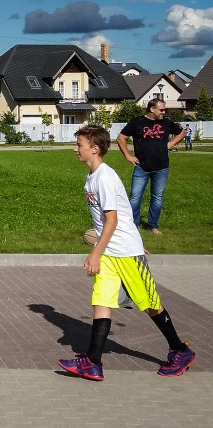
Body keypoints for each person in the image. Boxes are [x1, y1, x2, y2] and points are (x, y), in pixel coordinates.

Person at [58, 125, 196, 381]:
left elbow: (111, 220)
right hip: (111, 252)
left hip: (123, 252)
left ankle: (180, 350)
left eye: (79, 145)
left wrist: (96, 253)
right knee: (101, 301)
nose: (75, 149)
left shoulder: (105, 178)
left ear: (95, 149)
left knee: (150, 304)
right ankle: (93, 362)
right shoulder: (92, 176)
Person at [116, 98, 184, 235]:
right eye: (161, 110)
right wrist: (128, 156)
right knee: (135, 197)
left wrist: (170, 144)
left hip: (162, 167)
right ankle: (132, 226)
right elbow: (121, 138)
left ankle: (152, 225)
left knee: (157, 197)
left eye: (164, 110)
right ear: (152, 109)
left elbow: (182, 132)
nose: (164, 112)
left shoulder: (166, 122)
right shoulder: (138, 122)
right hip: (142, 167)